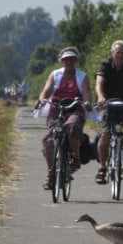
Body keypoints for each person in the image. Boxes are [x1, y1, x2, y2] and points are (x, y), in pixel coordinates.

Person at [38, 46, 92, 190]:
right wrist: (43, 99)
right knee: (48, 140)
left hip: (75, 108)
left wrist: (86, 102)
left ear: (76, 61)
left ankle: (75, 158)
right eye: (66, 60)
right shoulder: (55, 75)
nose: (69, 62)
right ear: (62, 61)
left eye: (72, 59)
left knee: (72, 127)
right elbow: (46, 90)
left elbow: (86, 92)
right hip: (56, 109)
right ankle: (51, 175)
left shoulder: (82, 76)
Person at [95, 40, 123, 184]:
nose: (120, 55)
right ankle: (102, 168)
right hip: (108, 102)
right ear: (112, 53)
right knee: (105, 134)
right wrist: (101, 97)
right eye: (117, 52)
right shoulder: (105, 65)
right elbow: (99, 83)